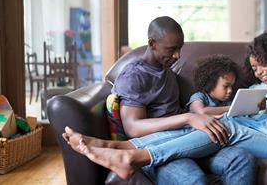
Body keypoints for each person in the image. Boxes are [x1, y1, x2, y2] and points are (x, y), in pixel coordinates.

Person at [64, 29, 267, 179]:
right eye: (253, 68)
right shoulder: (257, 91)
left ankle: (132, 155)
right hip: (266, 136)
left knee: (227, 127)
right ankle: (119, 147)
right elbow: (216, 112)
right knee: (224, 125)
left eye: (261, 65)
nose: (257, 73)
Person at [63, 16, 257, 184]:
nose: (178, 56)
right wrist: (188, 118)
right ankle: (112, 150)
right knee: (192, 180)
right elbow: (133, 128)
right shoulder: (135, 76)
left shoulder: (167, 72)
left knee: (242, 159)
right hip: (157, 148)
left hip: (186, 139)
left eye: (179, 49)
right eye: (172, 49)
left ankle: (103, 146)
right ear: (152, 43)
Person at [188, 54, 267, 143]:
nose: (230, 90)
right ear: (211, 83)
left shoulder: (229, 100)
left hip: (233, 132)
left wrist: (255, 107)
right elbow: (201, 111)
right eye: (226, 86)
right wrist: (232, 108)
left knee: (257, 117)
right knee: (229, 118)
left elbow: (244, 118)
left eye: (232, 86)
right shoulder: (199, 96)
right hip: (206, 132)